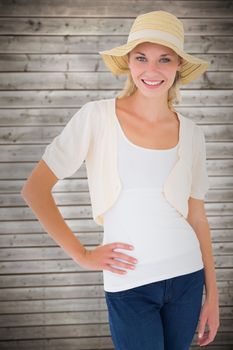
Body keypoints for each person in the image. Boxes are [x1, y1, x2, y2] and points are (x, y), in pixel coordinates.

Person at [21, 10, 219, 350]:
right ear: (129, 62)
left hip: (188, 277)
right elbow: (34, 189)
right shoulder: (97, 116)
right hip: (130, 284)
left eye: (164, 59)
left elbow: (197, 217)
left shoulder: (193, 133)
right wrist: (81, 254)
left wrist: (213, 296)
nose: (152, 70)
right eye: (141, 57)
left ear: (177, 67)